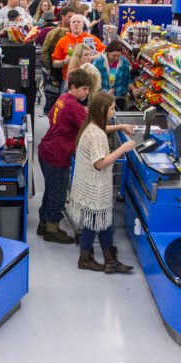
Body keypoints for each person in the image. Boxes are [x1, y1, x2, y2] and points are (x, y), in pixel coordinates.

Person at [37, 69, 133, 243]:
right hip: (57, 156)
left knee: (51, 190)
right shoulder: (74, 106)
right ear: (73, 87)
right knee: (58, 194)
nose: (87, 92)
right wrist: (121, 127)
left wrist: (81, 112)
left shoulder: (64, 98)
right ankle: (52, 230)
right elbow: (95, 129)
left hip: (46, 150)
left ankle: (43, 223)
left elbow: (53, 117)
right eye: (84, 89)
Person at [69, 93, 135, 273]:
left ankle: (110, 260)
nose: (114, 111)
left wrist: (120, 126)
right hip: (95, 187)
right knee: (94, 224)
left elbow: (102, 130)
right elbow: (100, 163)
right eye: (112, 108)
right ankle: (85, 259)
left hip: (86, 184)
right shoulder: (96, 135)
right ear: (102, 110)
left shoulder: (90, 126)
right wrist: (123, 149)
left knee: (104, 223)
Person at [52, 14, 106, 82]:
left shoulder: (92, 38)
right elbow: (54, 64)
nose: (76, 24)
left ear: (83, 24)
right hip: (69, 79)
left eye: (78, 22)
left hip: (88, 78)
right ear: (70, 25)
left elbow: (105, 52)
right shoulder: (62, 41)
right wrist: (64, 61)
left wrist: (93, 57)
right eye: (73, 22)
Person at [93, 40, 131, 106]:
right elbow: (94, 82)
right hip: (103, 98)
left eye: (118, 55)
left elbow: (127, 79)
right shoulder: (98, 62)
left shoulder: (124, 62)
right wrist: (106, 92)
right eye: (114, 55)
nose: (116, 58)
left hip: (119, 98)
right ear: (107, 52)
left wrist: (133, 89)